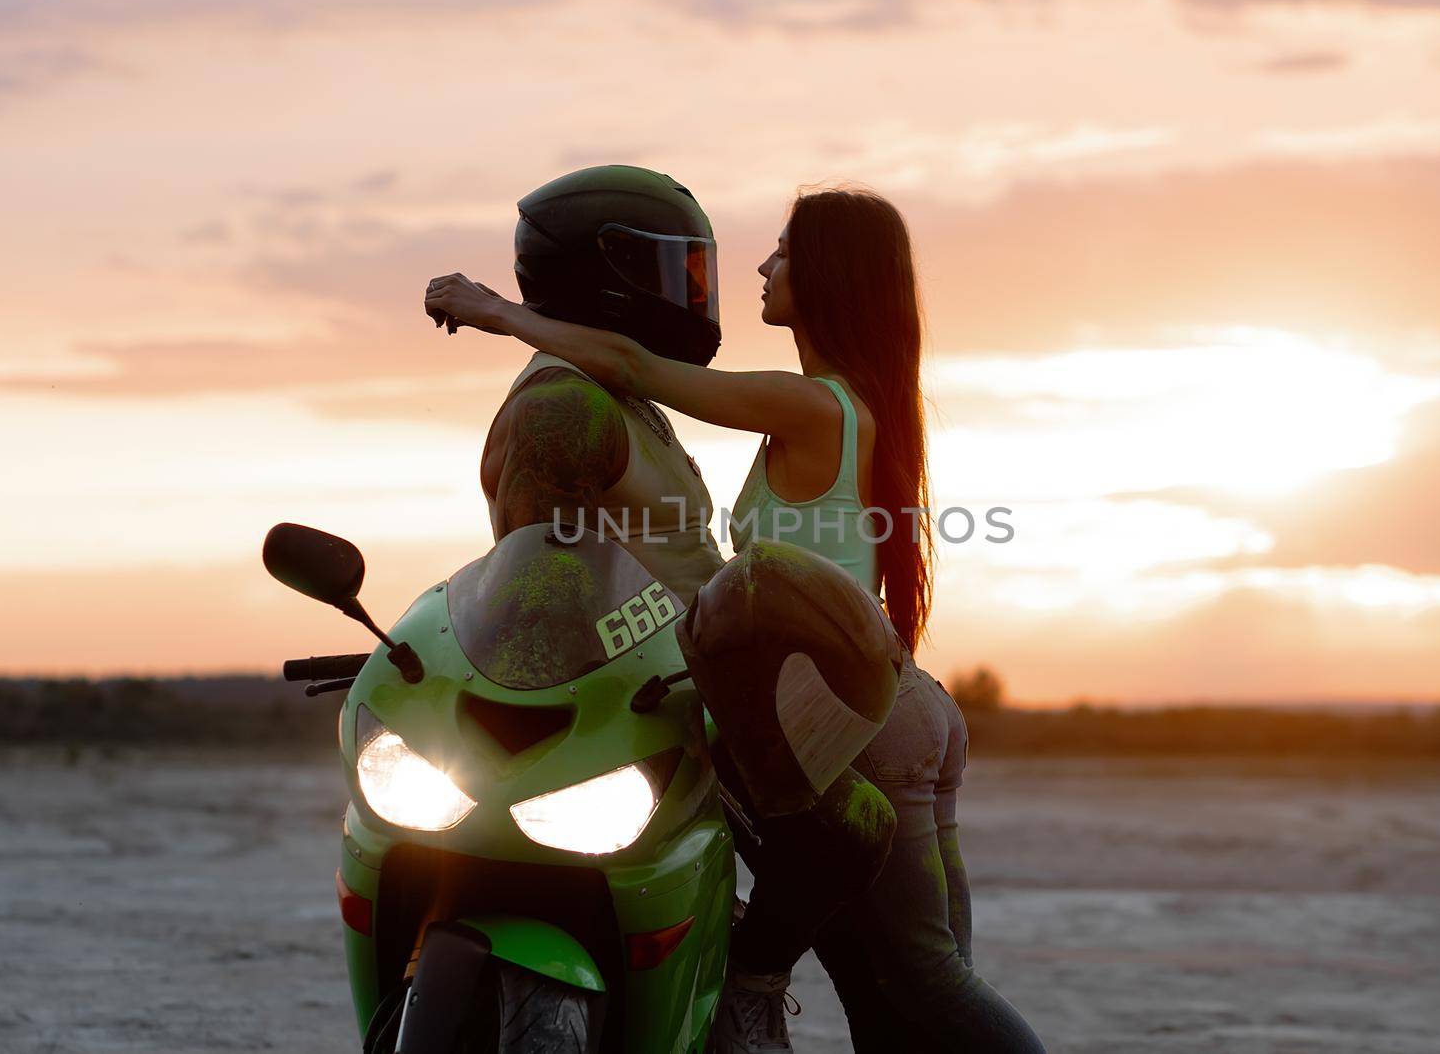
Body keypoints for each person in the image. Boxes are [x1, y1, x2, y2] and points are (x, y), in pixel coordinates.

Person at [428, 183, 1045, 1053]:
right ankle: (759, 982)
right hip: (896, 709)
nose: (760, 265)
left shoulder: (814, 404)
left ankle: (755, 980)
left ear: (828, 275)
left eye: (784, 253)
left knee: (925, 982)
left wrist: (496, 310)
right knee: (891, 994)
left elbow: (636, 369)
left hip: (843, 718)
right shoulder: (841, 404)